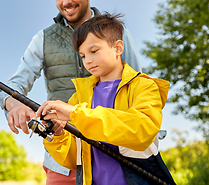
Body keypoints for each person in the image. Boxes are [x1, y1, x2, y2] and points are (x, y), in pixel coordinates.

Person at [0, 0, 141, 184]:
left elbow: (138, 87)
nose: (65, 1)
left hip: (115, 156)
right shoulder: (43, 39)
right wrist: (13, 104)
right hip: (64, 160)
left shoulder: (117, 33)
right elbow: (15, 84)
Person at [36, 12, 176, 185]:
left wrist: (77, 114)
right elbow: (73, 160)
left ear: (118, 48)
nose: (88, 61)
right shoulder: (78, 98)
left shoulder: (144, 87)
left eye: (94, 51)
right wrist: (58, 135)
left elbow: (142, 131)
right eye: (83, 56)